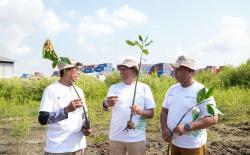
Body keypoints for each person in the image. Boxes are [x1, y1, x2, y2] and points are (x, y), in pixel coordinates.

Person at [160, 55, 218, 155]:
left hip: (192, 146)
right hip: (174, 142)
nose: (174, 73)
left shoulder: (201, 91)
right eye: (174, 70)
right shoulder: (172, 89)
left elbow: (213, 119)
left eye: (178, 70)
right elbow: (164, 111)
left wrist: (187, 126)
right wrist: (164, 129)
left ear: (189, 71)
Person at [103, 58, 156, 155]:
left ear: (133, 70)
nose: (121, 71)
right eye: (120, 69)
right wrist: (106, 103)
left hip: (136, 138)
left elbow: (151, 114)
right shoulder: (114, 87)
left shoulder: (144, 88)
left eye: (124, 68)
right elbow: (105, 107)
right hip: (116, 136)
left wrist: (140, 111)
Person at [38, 58, 91, 155]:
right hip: (58, 149)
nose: (79, 73)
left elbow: (84, 115)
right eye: (76, 69)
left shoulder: (79, 91)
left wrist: (86, 128)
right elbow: (42, 119)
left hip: (79, 147)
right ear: (66, 70)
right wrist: (66, 110)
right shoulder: (51, 90)